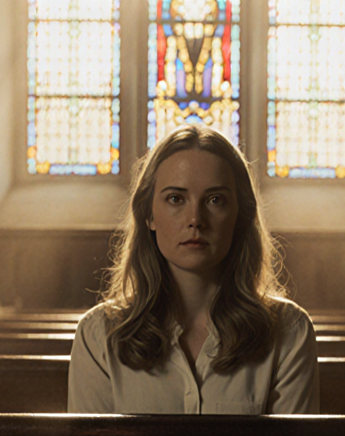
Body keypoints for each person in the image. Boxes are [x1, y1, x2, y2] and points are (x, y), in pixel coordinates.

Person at [68, 125, 319, 414]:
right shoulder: (99, 335)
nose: (196, 219)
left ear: (240, 215)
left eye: (215, 200)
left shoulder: (289, 331)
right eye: (176, 198)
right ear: (149, 214)